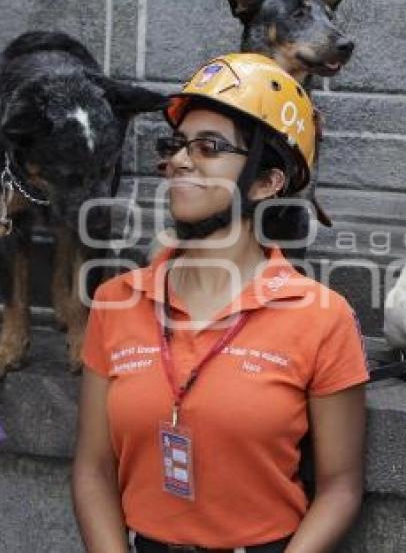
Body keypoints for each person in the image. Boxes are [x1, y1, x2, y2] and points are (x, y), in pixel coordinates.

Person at [71, 54, 368, 553]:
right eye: (176, 145)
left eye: (210, 147)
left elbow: (340, 485)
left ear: (266, 181)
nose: (181, 161)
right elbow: (92, 467)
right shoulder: (116, 300)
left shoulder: (321, 317)